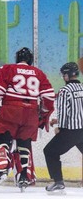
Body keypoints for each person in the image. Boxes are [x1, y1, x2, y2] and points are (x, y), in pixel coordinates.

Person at [0, 47, 55, 190]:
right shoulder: (39, 73)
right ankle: (23, 176)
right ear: (30, 59)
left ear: (17, 58)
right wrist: (44, 112)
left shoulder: (7, 69)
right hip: (31, 112)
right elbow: (49, 96)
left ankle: (2, 164)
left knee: (1, 137)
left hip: (11, 110)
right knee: (24, 142)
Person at [44, 62, 83, 194]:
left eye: (63, 74)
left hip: (70, 131)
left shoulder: (64, 91)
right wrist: (58, 120)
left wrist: (60, 127)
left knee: (50, 152)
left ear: (67, 75)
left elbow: (64, 112)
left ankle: (58, 182)